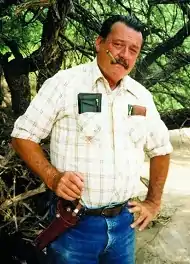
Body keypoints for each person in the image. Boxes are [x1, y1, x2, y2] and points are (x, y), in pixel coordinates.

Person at [11, 14, 173, 264]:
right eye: (118, 45)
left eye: (134, 50)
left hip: (124, 226)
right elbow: (23, 135)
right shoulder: (65, 84)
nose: (125, 55)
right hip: (74, 225)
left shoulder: (141, 97)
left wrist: (153, 202)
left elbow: (161, 149)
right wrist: (53, 177)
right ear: (99, 42)